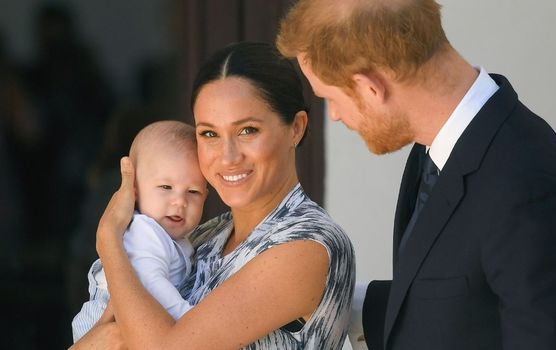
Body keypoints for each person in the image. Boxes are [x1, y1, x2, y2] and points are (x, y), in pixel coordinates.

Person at [277, 1, 556, 350]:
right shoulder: (439, 145)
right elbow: (459, 301)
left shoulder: (528, 188)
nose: (334, 115)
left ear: (370, 87)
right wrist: (331, 297)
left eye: (330, 98)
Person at [70, 41, 355, 349]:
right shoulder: (203, 236)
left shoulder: (307, 245)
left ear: (296, 128)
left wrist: (109, 240)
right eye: (209, 134)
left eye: (247, 130)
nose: (228, 156)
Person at [71, 120, 208, 342]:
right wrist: (188, 319)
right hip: (106, 324)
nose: (180, 201)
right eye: (166, 187)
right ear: (134, 189)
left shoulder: (176, 237)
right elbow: (151, 283)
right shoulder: (145, 232)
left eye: (193, 192)